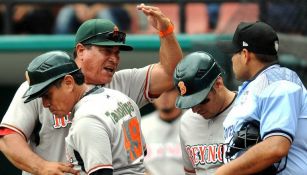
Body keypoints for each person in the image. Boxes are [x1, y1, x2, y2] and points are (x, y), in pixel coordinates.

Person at [0, 3, 182, 175]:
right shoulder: (45, 87)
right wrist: (41, 167)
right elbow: (8, 138)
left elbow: (172, 72)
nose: (114, 59)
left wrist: (167, 32)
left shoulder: (123, 84)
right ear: (80, 50)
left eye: (117, 52)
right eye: (106, 51)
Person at [23, 51, 146, 174]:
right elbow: (141, 153)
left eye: (47, 95)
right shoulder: (122, 99)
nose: (45, 104)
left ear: (69, 83)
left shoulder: (87, 119)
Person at [215, 21, 307, 175]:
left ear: (245, 55)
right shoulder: (257, 84)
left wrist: (223, 173)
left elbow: (276, 146)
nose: (232, 59)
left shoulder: (280, 84)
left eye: (234, 53)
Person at [173, 51, 236, 174]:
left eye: (201, 101)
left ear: (218, 83)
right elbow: (190, 172)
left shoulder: (248, 111)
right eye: (190, 104)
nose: (195, 110)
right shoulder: (187, 121)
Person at [141, 88, 184, 175]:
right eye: (158, 92)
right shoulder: (140, 126)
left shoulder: (196, 122)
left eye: (169, 90)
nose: (163, 95)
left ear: (180, 92)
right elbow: (129, 164)